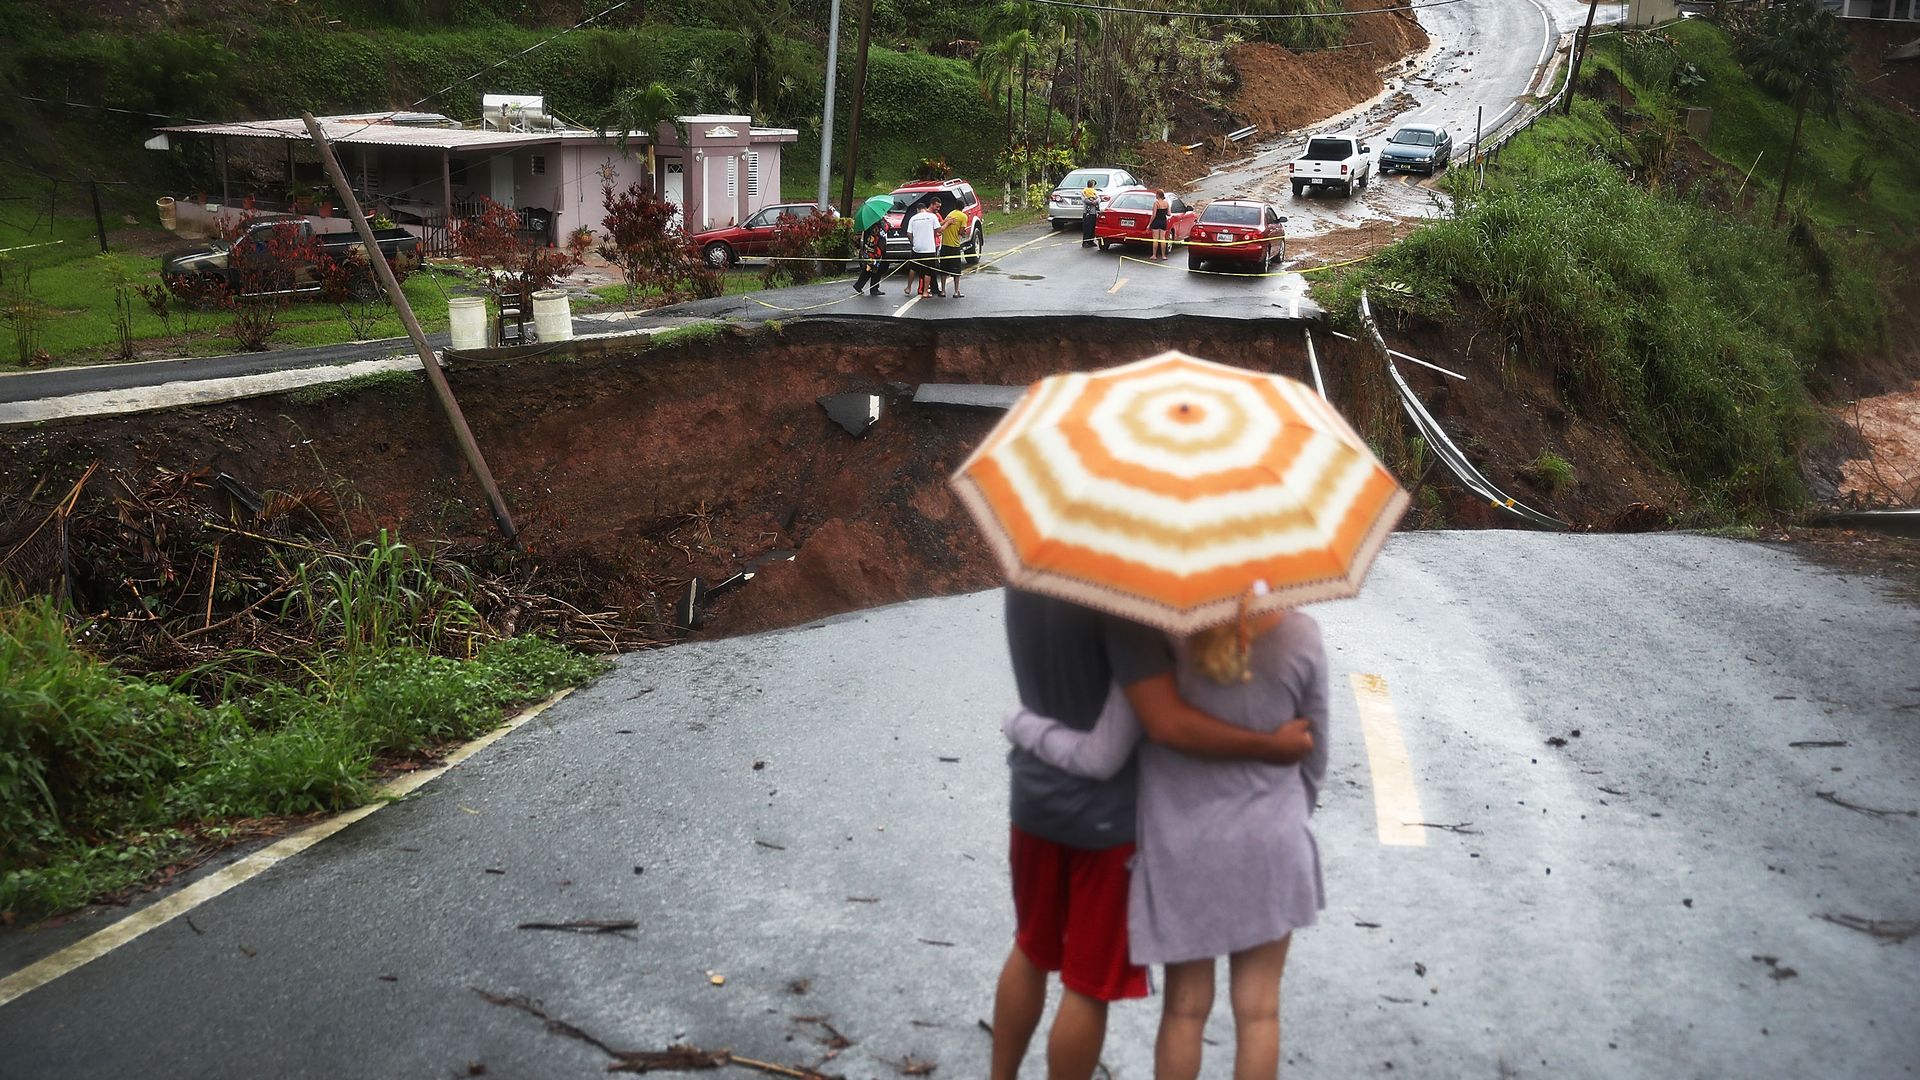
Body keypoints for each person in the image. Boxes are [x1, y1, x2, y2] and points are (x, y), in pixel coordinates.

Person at [988, 588, 1316, 1080]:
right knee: (1086, 987)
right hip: (1104, 822)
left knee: (1030, 949)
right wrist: (1268, 747)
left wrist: (1022, 725)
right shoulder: (1125, 605)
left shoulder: (1026, 577)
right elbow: (1164, 724)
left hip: (1033, 799)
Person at [906, 198, 943, 297]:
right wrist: (947, 223)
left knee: (913, 268)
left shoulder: (913, 218)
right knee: (928, 270)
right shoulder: (932, 216)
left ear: (918, 209)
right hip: (929, 248)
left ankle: (908, 287)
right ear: (924, 208)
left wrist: (912, 243)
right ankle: (925, 292)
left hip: (917, 248)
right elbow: (939, 230)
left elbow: (909, 234)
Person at [939, 197, 970, 298]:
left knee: (944, 270)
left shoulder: (950, 214)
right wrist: (963, 233)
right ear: (963, 207)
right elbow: (961, 232)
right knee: (956, 271)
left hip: (944, 245)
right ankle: (956, 291)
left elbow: (943, 225)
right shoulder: (963, 216)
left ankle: (943, 291)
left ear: (955, 206)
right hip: (954, 246)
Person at [852, 220, 887, 296]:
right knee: (875, 269)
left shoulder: (868, 224)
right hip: (874, 251)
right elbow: (878, 235)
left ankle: (860, 285)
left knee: (869, 269)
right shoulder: (875, 225)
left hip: (870, 250)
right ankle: (873, 288)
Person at [1149, 190, 1172, 261]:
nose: (1155, 195)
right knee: (1163, 239)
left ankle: (1154, 255)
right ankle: (1163, 255)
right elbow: (1169, 214)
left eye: (1156, 194)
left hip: (1156, 221)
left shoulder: (1156, 203)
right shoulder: (1166, 203)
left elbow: (1154, 215)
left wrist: (1149, 224)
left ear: (1158, 195)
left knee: (1155, 239)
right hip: (1163, 221)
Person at [1080, 179, 1101, 248]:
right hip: (1087, 212)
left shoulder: (1095, 192)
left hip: (1094, 212)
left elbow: (1098, 199)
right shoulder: (1084, 191)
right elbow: (1084, 200)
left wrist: (1096, 201)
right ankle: (1085, 242)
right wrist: (1091, 202)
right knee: (1087, 228)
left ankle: (1091, 241)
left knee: (1092, 227)